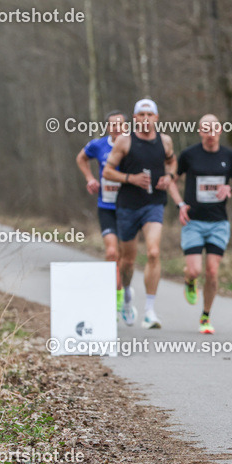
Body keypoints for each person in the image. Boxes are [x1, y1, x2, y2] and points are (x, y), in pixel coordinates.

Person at [167, 114, 232, 334]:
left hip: (218, 223)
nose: (210, 134)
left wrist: (230, 189)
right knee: (195, 270)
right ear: (200, 131)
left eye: (214, 129)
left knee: (211, 271)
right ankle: (189, 279)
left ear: (220, 130)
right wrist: (180, 204)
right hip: (193, 221)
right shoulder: (189, 155)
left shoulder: (230, 157)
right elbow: (171, 182)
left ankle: (205, 316)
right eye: (205, 129)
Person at [102, 99, 176, 329]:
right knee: (127, 261)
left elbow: (172, 162)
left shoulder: (165, 141)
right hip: (127, 206)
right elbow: (107, 171)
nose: (145, 119)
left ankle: (150, 312)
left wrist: (170, 177)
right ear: (135, 118)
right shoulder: (125, 141)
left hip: (154, 203)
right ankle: (125, 297)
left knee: (153, 252)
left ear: (156, 118)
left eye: (149, 115)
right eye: (141, 115)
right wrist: (130, 178)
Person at [78, 111, 130, 320]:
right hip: (106, 205)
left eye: (120, 124)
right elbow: (81, 158)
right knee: (111, 252)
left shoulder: (133, 146)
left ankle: (125, 290)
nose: (116, 128)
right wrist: (90, 178)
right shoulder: (98, 145)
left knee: (126, 258)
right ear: (107, 127)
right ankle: (115, 294)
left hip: (128, 208)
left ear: (127, 126)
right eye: (112, 125)